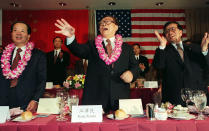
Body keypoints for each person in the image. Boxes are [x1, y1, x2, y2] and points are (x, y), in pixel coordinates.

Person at [54, 16, 140, 113]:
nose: (103, 24)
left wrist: (132, 74)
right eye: (101, 23)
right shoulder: (92, 45)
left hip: (120, 97)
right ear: (99, 29)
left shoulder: (127, 48)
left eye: (107, 22)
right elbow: (78, 50)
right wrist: (70, 37)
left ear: (116, 27)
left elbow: (136, 67)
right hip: (96, 96)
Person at [153, 21, 209, 105]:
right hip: (174, 98)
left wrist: (204, 51)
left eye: (173, 29)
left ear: (180, 32)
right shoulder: (163, 51)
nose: (170, 32)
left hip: (197, 97)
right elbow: (159, 66)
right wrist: (162, 47)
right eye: (167, 31)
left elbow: (206, 66)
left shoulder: (196, 48)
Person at [0, 21, 47, 112]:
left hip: (27, 103)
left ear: (28, 35)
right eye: (15, 30)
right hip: (3, 103)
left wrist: (35, 99)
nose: (18, 33)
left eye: (22, 31)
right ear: (11, 34)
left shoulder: (38, 55)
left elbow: (42, 80)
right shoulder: (2, 55)